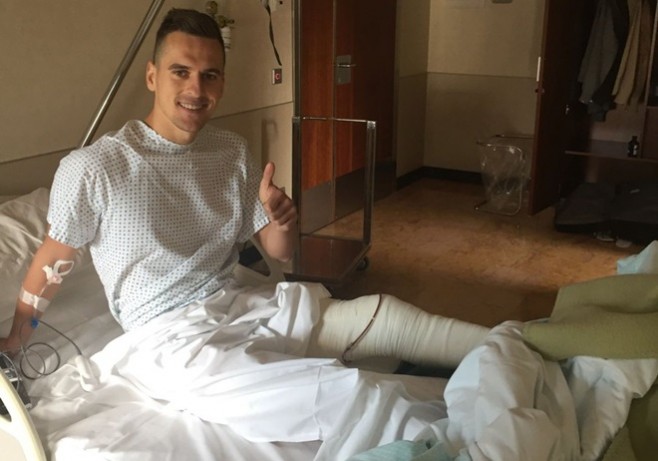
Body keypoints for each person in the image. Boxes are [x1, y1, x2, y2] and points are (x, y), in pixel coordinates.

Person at [0, 8, 488, 456]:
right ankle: (479, 434)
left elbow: (279, 253)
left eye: (209, 75)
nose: (196, 88)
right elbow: (53, 259)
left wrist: (282, 221)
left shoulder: (231, 152)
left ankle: (511, 347)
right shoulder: (95, 168)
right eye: (180, 71)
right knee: (351, 394)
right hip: (174, 343)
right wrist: (17, 338)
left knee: (384, 313)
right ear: (152, 76)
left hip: (241, 303)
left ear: (222, 82)